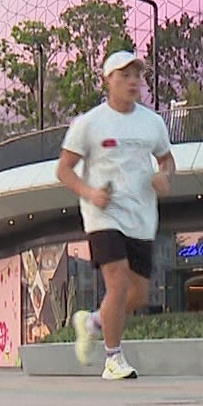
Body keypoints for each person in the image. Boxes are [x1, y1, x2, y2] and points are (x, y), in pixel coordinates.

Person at [59, 51, 175, 381]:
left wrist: (164, 176)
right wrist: (90, 193)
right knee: (118, 282)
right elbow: (64, 170)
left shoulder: (152, 122)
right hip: (103, 214)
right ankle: (113, 359)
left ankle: (92, 322)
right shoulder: (89, 123)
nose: (133, 81)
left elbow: (167, 160)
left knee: (137, 294)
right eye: (124, 75)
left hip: (141, 216)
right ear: (108, 80)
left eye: (137, 75)